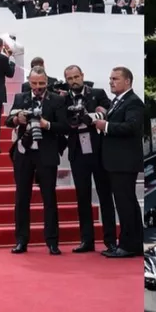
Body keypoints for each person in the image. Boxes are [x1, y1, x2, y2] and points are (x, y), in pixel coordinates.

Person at [5, 67, 69, 254]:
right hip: (24, 153)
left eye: (42, 84)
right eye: (35, 84)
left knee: (49, 198)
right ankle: (21, 240)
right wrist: (18, 119)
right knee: (21, 198)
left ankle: (52, 241)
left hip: (46, 153)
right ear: (29, 81)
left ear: (47, 82)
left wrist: (45, 124)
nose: (38, 88)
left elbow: (64, 127)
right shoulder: (20, 98)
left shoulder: (57, 100)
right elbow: (8, 121)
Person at [59, 65, 115, 253]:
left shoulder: (97, 93)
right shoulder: (63, 98)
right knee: (82, 198)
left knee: (105, 196)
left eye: (77, 77)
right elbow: (61, 122)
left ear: (82, 76)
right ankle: (87, 240)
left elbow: (110, 111)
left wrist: (92, 116)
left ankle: (110, 241)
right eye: (70, 78)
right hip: (78, 153)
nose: (74, 81)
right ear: (66, 80)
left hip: (99, 151)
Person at [96, 67, 146, 258]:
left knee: (125, 204)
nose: (111, 82)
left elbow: (131, 126)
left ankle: (128, 244)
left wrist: (105, 125)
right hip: (116, 162)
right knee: (127, 203)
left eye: (115, 79)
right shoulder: (119, 101)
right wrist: (105, 114)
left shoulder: (133, 102)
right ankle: (132, 242)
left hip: (124, 163)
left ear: (128, 81)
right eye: (110, 79)